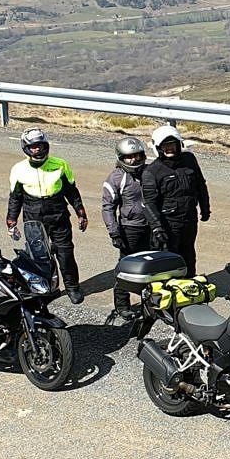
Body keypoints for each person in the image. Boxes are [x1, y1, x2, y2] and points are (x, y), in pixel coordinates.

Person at [5, 127, 88, 303]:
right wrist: (11, 221)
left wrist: (81, 213)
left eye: (40, 145)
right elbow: (15, 197)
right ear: (26, 148)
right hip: (33, 216)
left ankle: (72, 287)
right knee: (38, 256)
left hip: (58, 213)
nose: (37, 149)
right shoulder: (18, 169)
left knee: (65, 253)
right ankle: (43, 288)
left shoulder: (60, 164)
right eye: (33, 146)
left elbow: (72, 192)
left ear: (46, 146)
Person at [139, 124, 210, 275]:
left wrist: (205, 207)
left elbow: (200, 184)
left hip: (189, 219)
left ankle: (190, 283)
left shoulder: (189, 159)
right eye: (165, 145)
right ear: (158, 147)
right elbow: (149, 203)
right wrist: (157, 227)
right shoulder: (152, 172)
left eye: (172, 144)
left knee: (189, 254)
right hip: (168, 224)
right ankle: (170, 286)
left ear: (179, 144)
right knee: (168, 259)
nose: (169, 148)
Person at [101, 135, 152, 320]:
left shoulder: (150, 172)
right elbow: (108, 207)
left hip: (152, 227)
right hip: (130, 229)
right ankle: (122, 305)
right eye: (129, 157)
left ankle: (150, 303)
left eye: (138, 155)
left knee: (151, 265)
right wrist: (114, 232)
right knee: (126, 267)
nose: (134, 160)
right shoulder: (116, 178)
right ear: (121, 158)